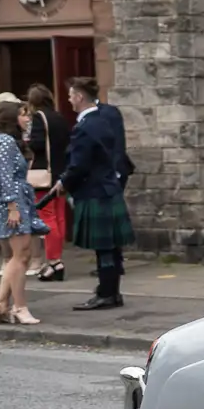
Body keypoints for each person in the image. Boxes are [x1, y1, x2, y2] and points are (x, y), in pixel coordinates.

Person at [52, 76, 135, 311]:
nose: (69, 100)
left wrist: (64, 182)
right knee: (111, 247)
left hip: (96, 191)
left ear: (79, 96)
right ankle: (111, 292)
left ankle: (107, 294)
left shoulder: (85, 127)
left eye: (70, 96)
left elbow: (79, 164)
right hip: (108, 188)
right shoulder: (103, 119)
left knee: (104, 249)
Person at [0, 100, 46, 325]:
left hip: (15, 201)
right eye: (23, 115)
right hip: (12, 203)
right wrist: (13, 207)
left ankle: (1, 305)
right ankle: (18, 307)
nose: (27, 118)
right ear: (12, 118)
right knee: (21, 256)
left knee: (19, 256)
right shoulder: (6, 142)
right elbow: (6, 178)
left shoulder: (3, 141)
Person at [25, 84, 70, 281]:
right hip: (61, 173)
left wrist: (26, 139)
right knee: (59, 218)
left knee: (48, 218)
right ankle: (57, 259)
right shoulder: (59, 117)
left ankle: (54, 262)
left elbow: (37, 145)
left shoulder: (38, 117)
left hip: (44, 174)